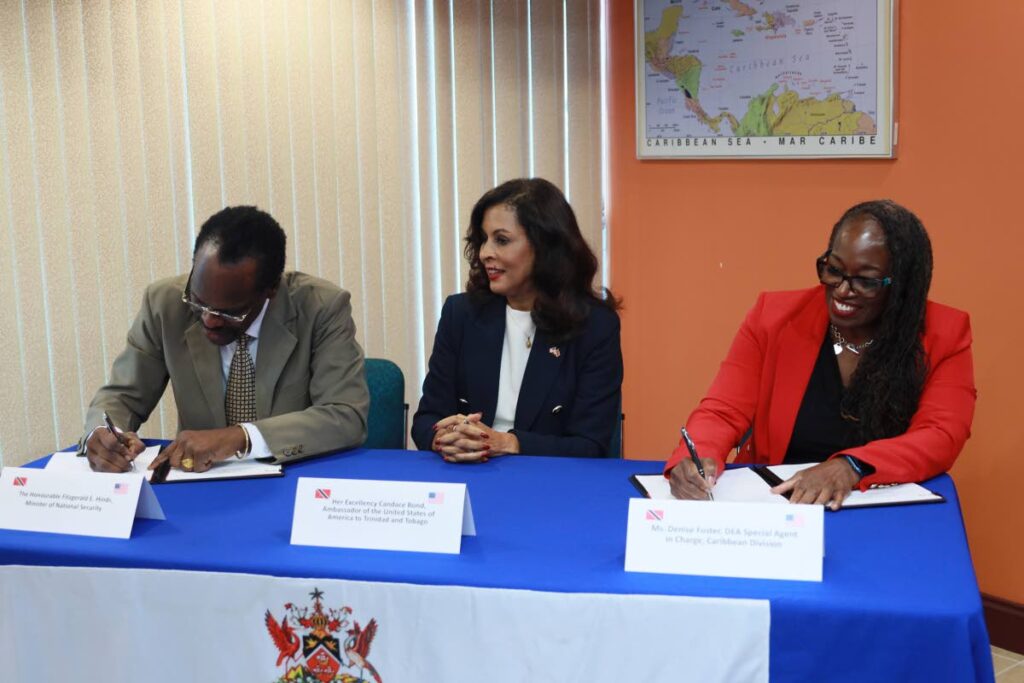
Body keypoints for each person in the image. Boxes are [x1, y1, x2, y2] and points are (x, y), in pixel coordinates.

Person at [667, 200, 975, 509]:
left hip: (881, 509)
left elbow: (941, 434)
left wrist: (851, 467)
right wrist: (697, 458)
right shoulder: (774, 318)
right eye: (834, 270)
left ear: (902, 287)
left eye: (865, 280)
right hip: (781, 508)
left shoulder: (944, 334)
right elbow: (723, 410)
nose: (842, 289)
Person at [81, 206, 369, 473]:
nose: (209, 319)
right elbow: (122, 396)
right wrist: (104, 434)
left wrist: (240, 437)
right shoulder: (164, 304)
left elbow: (345, 416)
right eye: (199, 302)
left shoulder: (321, 308)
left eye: (228, 312)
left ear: (270, 290)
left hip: (293, 479)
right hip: (199, 485)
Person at [412, 178, 622, 461]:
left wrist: (509, 443)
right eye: (483, 239)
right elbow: (426, 419)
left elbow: (590, 444)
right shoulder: (460, 314)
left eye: (502, 240)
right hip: (465, 470)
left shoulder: (594, 326)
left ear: (545, 247)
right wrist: (443, 438)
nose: (486, 252)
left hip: (546, 482)